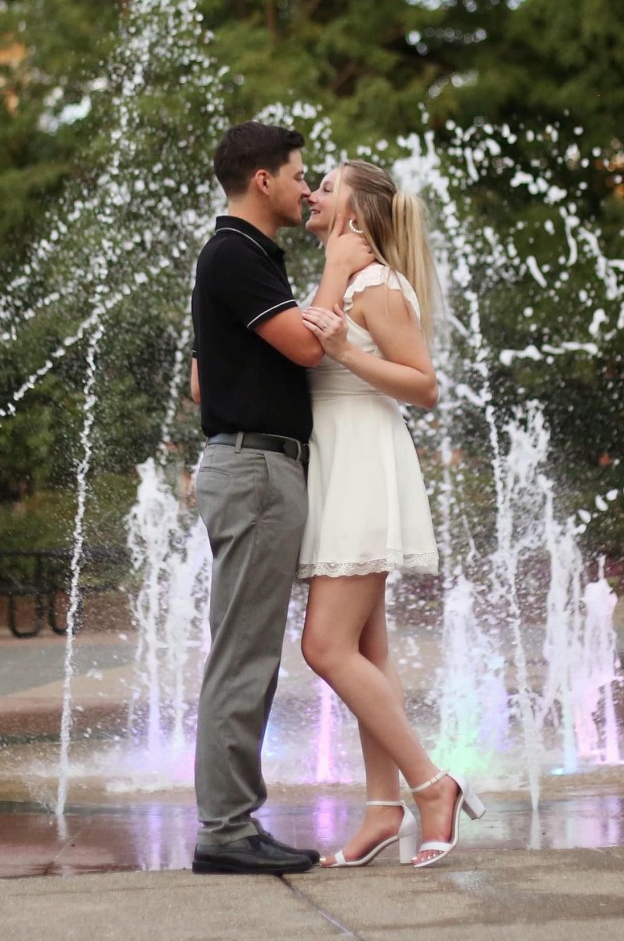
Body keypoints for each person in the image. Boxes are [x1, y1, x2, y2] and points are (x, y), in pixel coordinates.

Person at [190, 122, 371, 876]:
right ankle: (226, 830)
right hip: (257, 471)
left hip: (255, 470)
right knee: (244, 655)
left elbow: (202, 381)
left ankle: (231, 822)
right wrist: (335, 270)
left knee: (246, 651)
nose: (307, 187)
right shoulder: (234, 250)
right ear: (261, 180)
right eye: (299, 174)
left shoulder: (242, 256)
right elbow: (303, 345)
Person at [298, 160, 485, 868]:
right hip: (338, 464)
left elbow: (423, 386)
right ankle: (381, 809)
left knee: (324, 647)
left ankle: (431, 785)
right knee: (365, 650)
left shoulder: (374, 286)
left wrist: (345, 347)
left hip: (361, 469)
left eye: (326, 187)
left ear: (356, 212)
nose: (312, 193)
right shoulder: (352, 279)